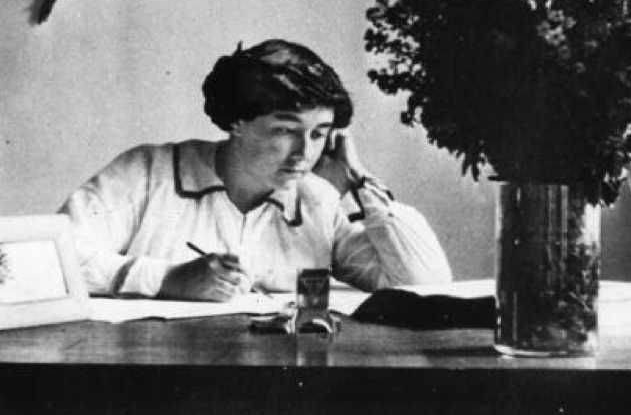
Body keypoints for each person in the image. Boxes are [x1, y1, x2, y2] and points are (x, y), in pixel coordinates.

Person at [58, 39, 452, 300]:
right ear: (237, 122)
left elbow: (423, 286)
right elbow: (55, 261)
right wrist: (167, 279)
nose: (305, 152)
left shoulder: (318, 203)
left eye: (319, 134)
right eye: (285, 130)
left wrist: (360, 181)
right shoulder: (148, 173)